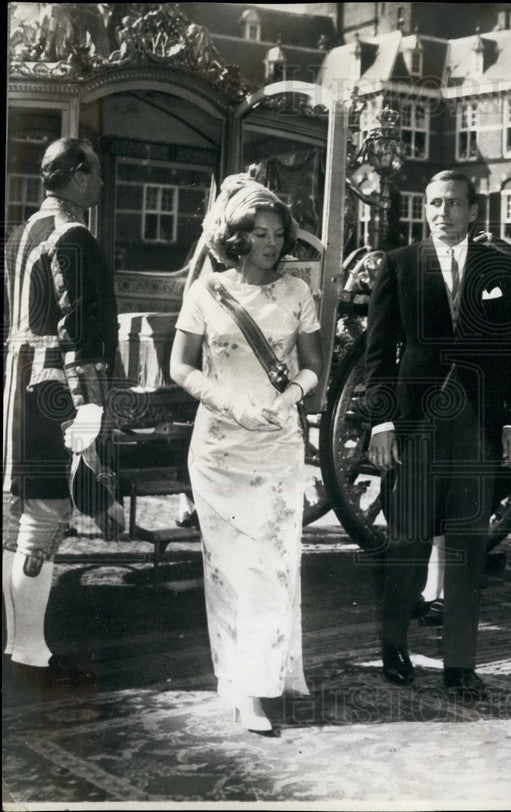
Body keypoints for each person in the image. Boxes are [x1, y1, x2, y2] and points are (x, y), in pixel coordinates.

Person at [363, 169, 511, 700]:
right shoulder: (399, 265)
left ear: (472, 210)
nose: (442, 212)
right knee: (408, 540)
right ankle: (394, 646)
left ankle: (460, 663)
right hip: (415, 426)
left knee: (467, 545)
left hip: (476, 427)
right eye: (433, 203)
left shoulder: (497, 268)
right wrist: (382, 421)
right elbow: (378, 353)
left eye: (453, 203)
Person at [169, 174, 321, 737]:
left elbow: (314, 369)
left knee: (273, 565)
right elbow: (179, 367)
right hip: (218, 450)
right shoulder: (207, 292)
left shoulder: (298, 294)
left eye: (278, 233)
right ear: (236, 236)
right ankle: (241, 686)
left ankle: (264, 676)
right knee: (231, 569)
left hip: (278, 444)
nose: (271, 243)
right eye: (259, 233)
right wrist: (227, 398)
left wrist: (288, 399)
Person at [2, 137, 114, 688]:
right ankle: (30, 652)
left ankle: (18, 643)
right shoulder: (74, 237)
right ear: (73, 176)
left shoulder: (24, 232)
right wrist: (90, 410)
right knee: (44, 516)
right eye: (93, 174)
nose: (100, 183)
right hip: (54, 389)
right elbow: (85, 333)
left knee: (20, 518)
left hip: (19, 382)